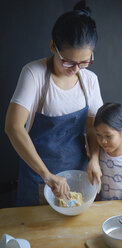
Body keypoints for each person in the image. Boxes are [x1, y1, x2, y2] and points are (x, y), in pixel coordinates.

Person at [5, 0, 103, 206]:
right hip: (38, 177)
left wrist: (94, 158)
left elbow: (93, 126)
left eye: (84, 62)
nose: (76, 69)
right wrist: (47, 175)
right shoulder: (34, 74)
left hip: (78, 174)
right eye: (68, 61)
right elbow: (13, 128)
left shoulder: (90, 80)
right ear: (53, 46)